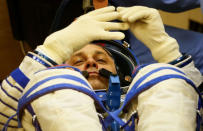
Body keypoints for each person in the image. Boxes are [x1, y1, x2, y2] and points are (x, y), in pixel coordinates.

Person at [0, 6, 202, 131]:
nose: (90, 63)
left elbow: (191, 100)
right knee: (53, 82)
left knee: (160, 76)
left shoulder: (145, 98)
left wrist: (164, 48)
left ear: (123, 77)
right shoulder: (47, 95)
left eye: (101, 60)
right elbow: (3, 117)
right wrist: (53, 49)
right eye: (78, 61)